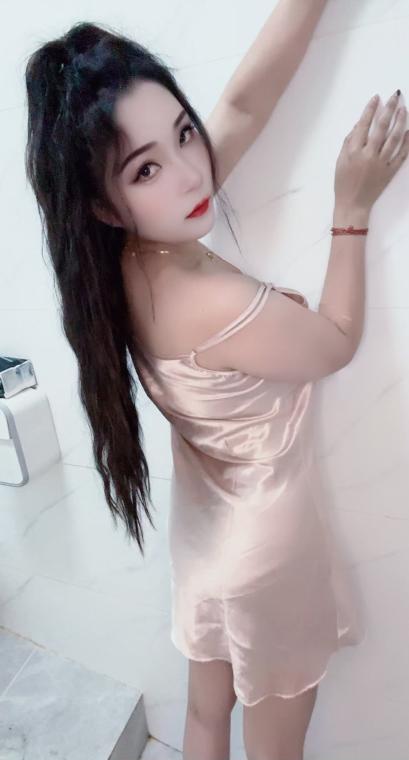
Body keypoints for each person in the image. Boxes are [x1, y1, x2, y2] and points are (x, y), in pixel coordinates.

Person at [24, 20, 408, 760]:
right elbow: (334, 342)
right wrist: (352, 210)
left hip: (206, 536)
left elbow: (239, 106)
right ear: (103, 203)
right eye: (145, 169)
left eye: (182, 133)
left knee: (205, 717)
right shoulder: (206, 300)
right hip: (266, 554)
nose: (191, 174)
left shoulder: (125, 260)